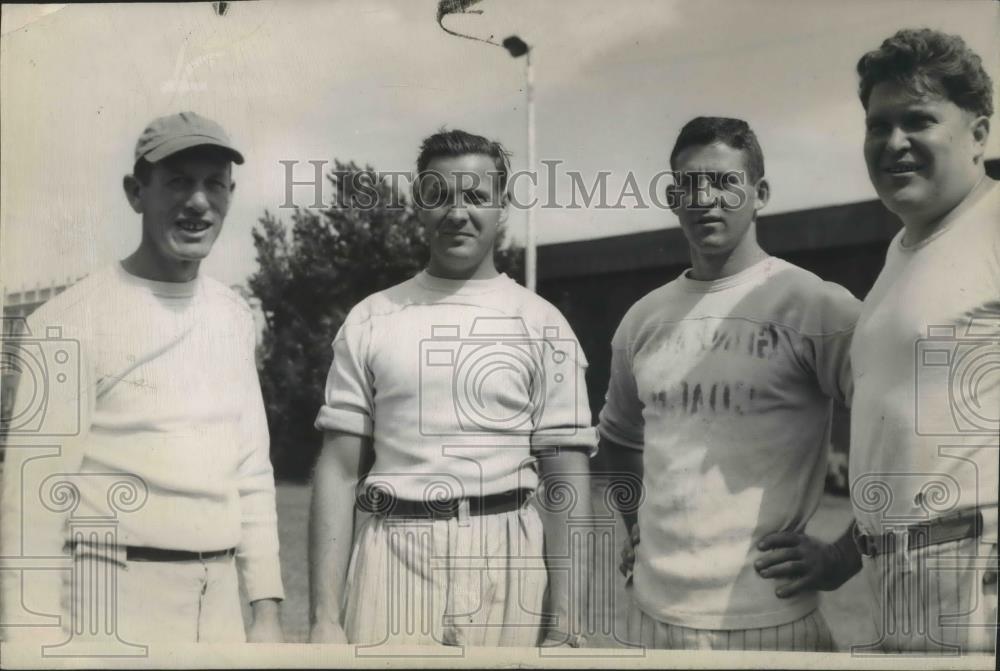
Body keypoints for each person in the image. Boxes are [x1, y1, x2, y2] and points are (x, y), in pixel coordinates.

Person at [0, 112, 284, 645]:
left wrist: (265, 608)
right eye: (178, 181)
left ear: (230, 193)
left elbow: (251, 468)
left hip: (218, 604)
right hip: (111, 596)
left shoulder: (233, 315)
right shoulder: (66, 322)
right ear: (136, 192)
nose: (198, 202)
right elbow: (32, 507)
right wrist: (30, 643)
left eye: (213, 184)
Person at [309, 129, 594, 647]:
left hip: (507, 552)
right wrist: (324, 618)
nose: (457, 212)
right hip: (393, 552)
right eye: (439, 195)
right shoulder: (371, 318)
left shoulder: (541, 322)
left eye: (476, 196)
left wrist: (568, 616)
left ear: (502, 206)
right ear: (419, 205)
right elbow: (338, 469)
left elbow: (565, 477)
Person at [601, 116, 862, 651]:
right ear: (673, 197)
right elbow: (620, 439)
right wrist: (637, 526)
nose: (705, 198)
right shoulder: (643, 319)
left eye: (724, 181)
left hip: (769, 620)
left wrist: (842, 556)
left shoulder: (814, 304)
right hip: (652, 613)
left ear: (760, 193)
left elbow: (909, 428)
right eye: (690, 184)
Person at [847, 28, 998, 654]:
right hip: (899, 578)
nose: (894, 143)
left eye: (919, 121)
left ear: (980, 133)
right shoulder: (902, 250)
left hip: (976, 579)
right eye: (878, 125)